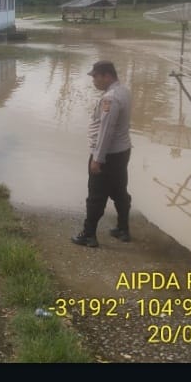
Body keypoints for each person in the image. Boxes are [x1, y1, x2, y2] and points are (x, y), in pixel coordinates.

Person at [72, 60, 132, 248]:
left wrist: (97, 159)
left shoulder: (111, 98)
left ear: (107, 76)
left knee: (96, 195)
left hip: (107, 155)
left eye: (96, 77)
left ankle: (88, 235)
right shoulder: (124, 91)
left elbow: (106, 130)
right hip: (122, 152)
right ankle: (123, 229)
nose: (94, 81)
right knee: (119, 191)